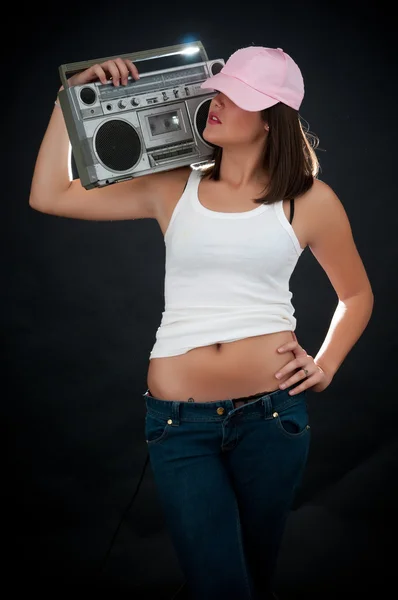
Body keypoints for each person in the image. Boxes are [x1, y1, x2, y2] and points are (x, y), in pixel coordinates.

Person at [29, 46, 374, 599]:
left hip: (272, 421)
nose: (216, 102)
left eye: (236, 97)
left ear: (270, 117)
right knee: (220, 586)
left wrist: (327, 364)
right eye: (218, 89)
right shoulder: (173, 186)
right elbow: (48, 195)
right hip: (178, 428)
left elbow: (356, 295)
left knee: (250, 581)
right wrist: (68, 99)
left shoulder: (308, 201)